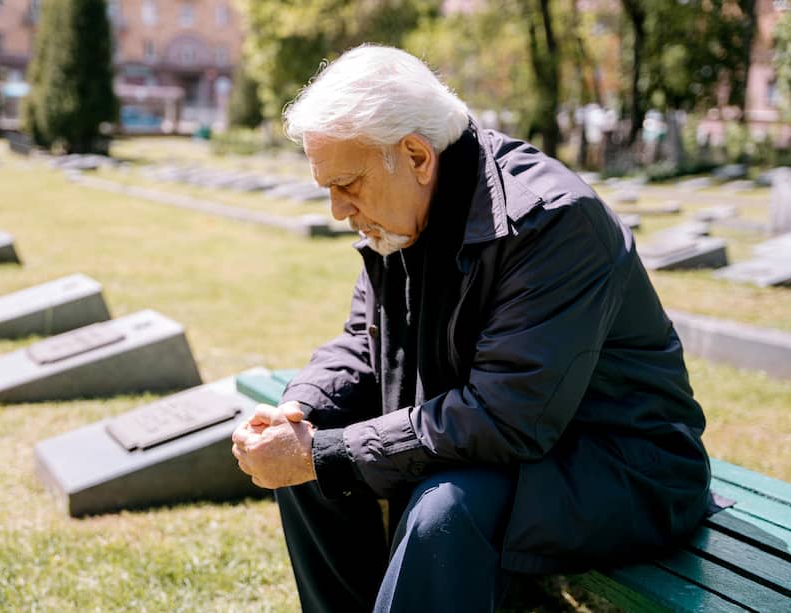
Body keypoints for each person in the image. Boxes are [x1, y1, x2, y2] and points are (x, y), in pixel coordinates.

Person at [231, 45, 710, 613]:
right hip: (518, 450)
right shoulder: (402, 213)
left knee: (443, 508)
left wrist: (326, 452)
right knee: (312, 467)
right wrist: (298, 414)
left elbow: (508, 417)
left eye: (348, 183)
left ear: (415, 155)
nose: (338, 210)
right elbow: (365, 342)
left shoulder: (552, 221)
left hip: (624, 466)